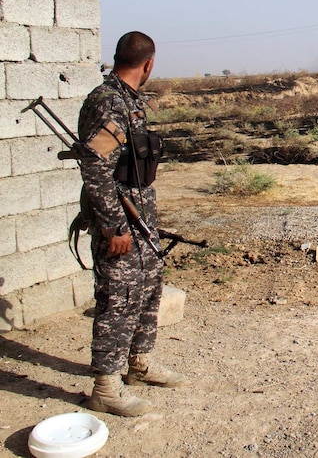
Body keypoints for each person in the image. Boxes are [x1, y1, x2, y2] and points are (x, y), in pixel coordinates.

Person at [78, 31, 187, 417]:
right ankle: (105, 387)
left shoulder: (130, 101)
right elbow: (95, 166)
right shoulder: (109, 103)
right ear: (149, 64)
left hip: (142, 217)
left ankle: (138, 364)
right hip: (121, 222)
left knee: (149, 286)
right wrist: (113, 226)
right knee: (118, 297)